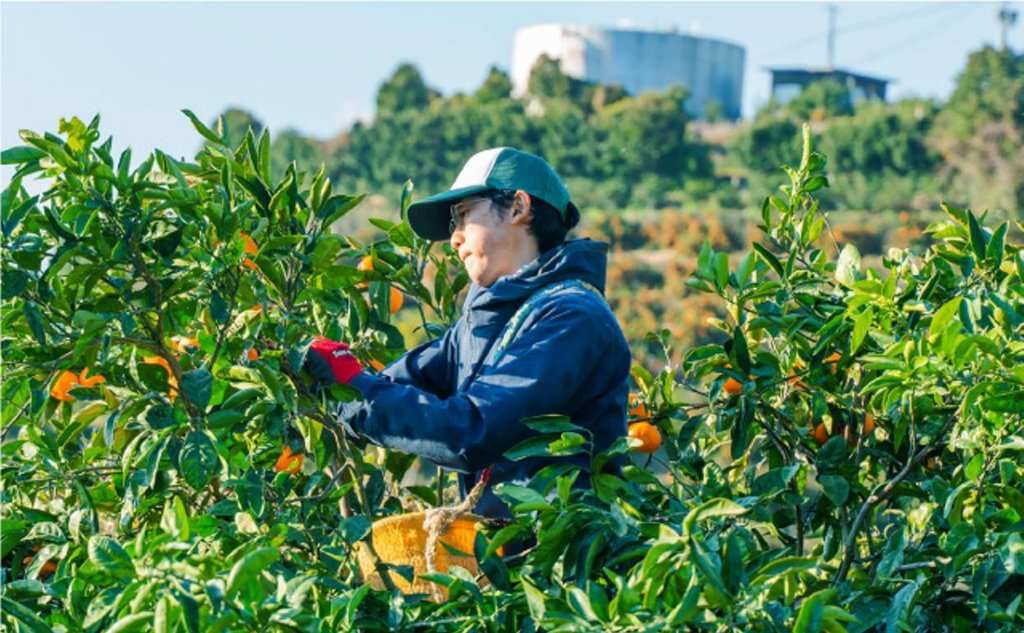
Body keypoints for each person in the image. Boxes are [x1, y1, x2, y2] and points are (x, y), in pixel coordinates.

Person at [305, 147, 631, 520]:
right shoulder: (483, 324)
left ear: (518, 208)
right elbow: (396, 383)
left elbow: (472, 431)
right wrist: (319, 381)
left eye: (463, 215)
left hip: (562, 550)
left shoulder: (572, 318)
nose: (454, 239)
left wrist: (354, 386)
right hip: (502, 551)